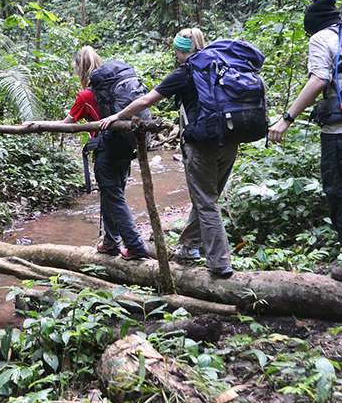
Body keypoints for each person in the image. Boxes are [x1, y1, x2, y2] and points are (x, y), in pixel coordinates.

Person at [268, 0, 342, 285]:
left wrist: (286, 118)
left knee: (341, 195)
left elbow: (319, 80)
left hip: (341, 133)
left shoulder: (322, 38)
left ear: (312, 23)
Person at [100, 28, 237, 278]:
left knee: (206, 201)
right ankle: (188, 248)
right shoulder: (223, 65)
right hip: (231, 140)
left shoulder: (186, 72)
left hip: (202, 144)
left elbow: (144, 101)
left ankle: (220, 264)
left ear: (180, 50)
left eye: (176, 50)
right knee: (207, 197)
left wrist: (117, 116)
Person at [63, 45, 149, 261]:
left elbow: (67, 123)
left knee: (113, 198)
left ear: (80, 68)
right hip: (125, 146)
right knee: (112, 195)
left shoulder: (85, 95)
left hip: (106, 150)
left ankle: (135, 246)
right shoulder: (111, 90)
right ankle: (111, 242)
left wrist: (37, 125)